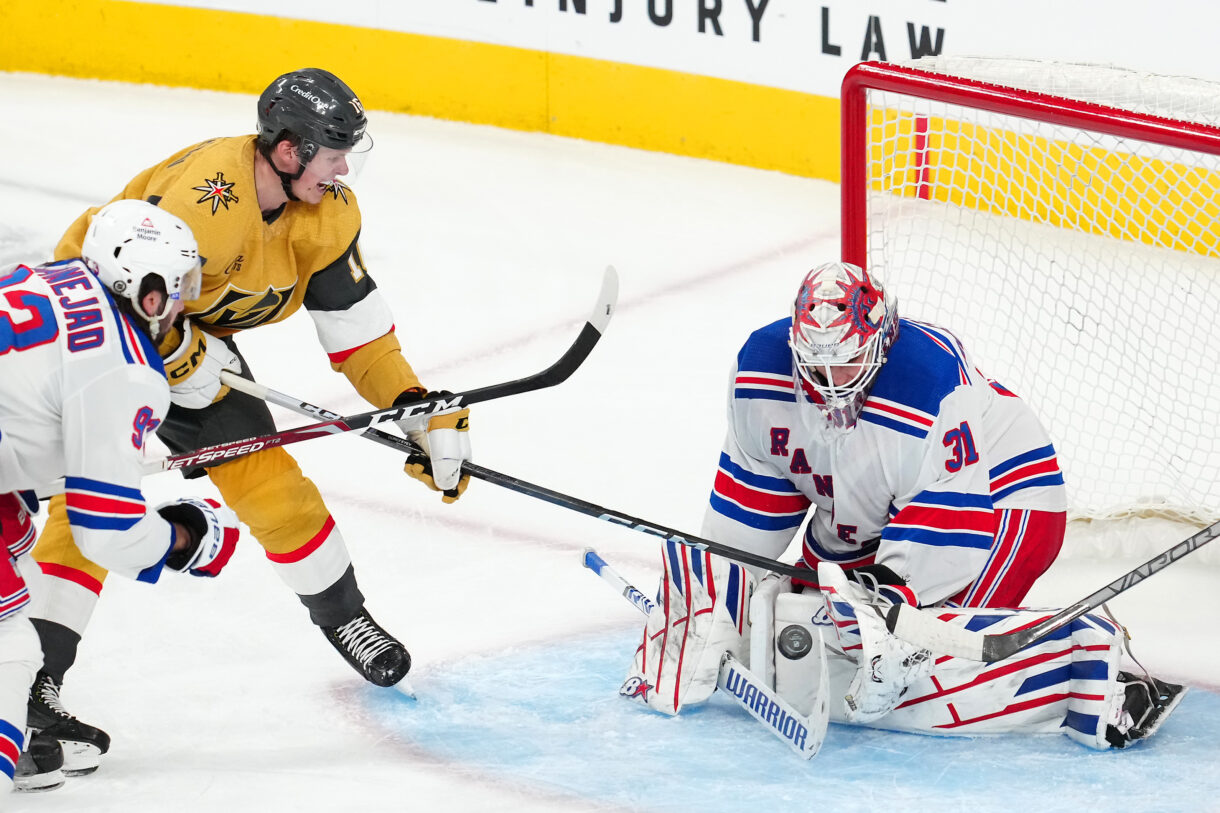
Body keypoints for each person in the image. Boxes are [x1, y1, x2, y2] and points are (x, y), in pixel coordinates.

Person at [27, 68, 471, 774]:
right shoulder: (208, 201)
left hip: (187, 336)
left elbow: (357, 335)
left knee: (270, 480)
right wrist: (173, 350)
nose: (344, 168)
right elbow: (123, 283)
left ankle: (342, 614)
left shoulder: (327, 214)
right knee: (89, 500)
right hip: (102, 332)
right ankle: (34, 684)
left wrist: (414, 405)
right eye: (333, 153)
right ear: (289, 150)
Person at [623, 261, 1185, 750]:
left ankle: (1092, 662)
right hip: (861, 506)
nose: (828, 383)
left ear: (881, 339)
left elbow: (945, 539)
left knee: (919, 654)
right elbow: (749, 514)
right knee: (803, 619)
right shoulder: (759, 373)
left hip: (999, 500)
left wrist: (889, 611)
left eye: (846, 364)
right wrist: (707, 599)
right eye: (813, 366)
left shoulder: (931, 384)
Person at [1, 200, 241, 792]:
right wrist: (187, 538)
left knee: (18, 553)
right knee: (9, 651)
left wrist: (88, 462)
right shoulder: (129, 368)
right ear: (145, 287)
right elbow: (104, 530)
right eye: (180, 285)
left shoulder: (56, 277)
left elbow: (26, 424)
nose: (185, 302)